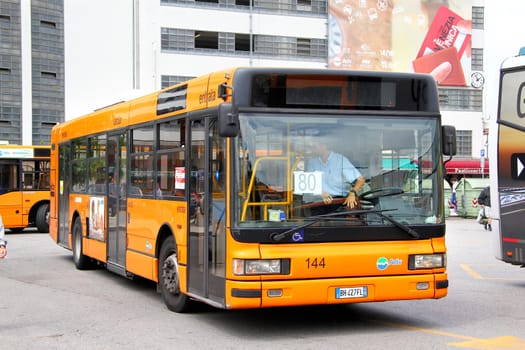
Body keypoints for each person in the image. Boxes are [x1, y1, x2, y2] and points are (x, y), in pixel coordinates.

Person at [306, 142, 366, 215]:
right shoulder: (312, 163)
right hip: (317, 203)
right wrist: (320, 193)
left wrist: (352, 193)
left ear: (324, 146)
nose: (312, 150)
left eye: (315, 147)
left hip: (339, 203)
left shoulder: (340, 160)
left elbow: (360, 179)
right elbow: (308, 183)